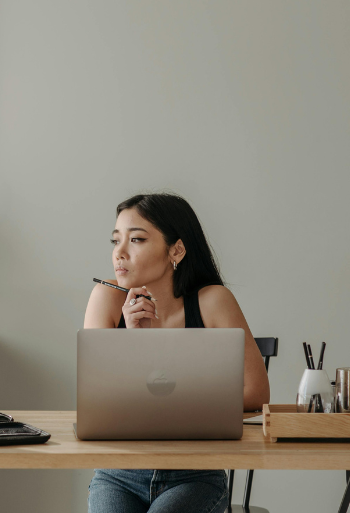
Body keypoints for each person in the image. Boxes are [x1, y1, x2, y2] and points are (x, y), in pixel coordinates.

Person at [84, 192, 270, 513]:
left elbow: (256, 392)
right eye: (116, 241)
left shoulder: (213, 301)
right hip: (119, 472)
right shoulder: (106, 297)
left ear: (177, 249)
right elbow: (95, 399)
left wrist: (171, 401)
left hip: (195, 473)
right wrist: (132, 340)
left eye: (137, 239)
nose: (120, 253)